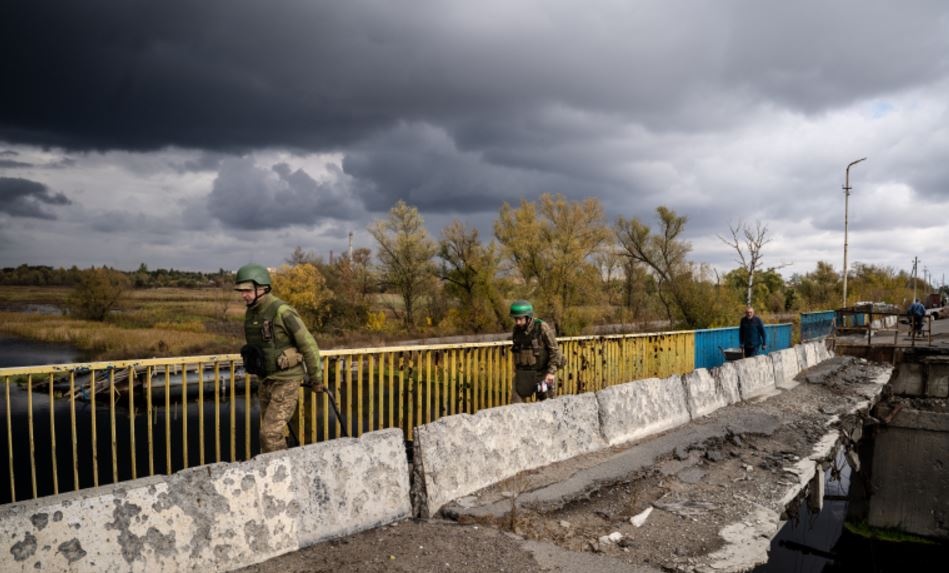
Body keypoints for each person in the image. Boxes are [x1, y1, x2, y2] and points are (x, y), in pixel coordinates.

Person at [234, 264, 323, 453]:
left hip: (286, 381)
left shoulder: (282, 311)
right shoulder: (252, 312)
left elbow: (308, 344)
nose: (244, 295)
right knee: (268, 433)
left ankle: (282, 475)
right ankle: (272, 471)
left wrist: (316, 378)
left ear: (263, 288)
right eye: (241, 291)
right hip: (266, 381)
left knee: (270, 434)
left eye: (248, 291)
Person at [509, 300, 563, 403]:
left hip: (542, 375)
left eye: (520, 319)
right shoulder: (516, 330)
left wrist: (551, 372)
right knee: (515, 407)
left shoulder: (542, 327)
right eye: (515, 319)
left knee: (548, 407)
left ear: (528, 317)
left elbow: (555, 351)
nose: (517, 322)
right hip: (523, 375)